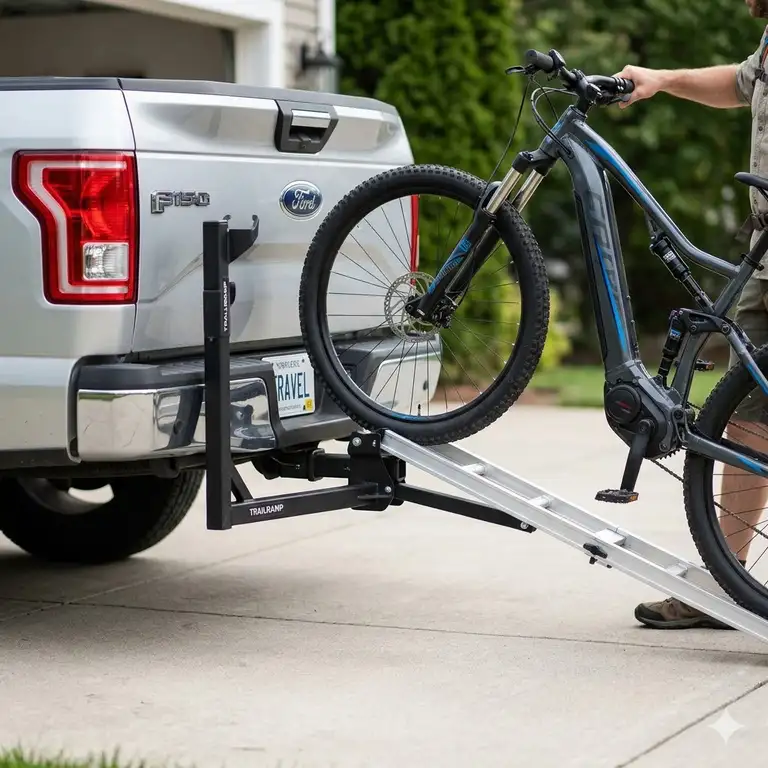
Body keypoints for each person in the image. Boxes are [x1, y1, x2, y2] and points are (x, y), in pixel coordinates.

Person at [615, 0, 768, 629]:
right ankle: (728, 586)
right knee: (748, 416)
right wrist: (662, 80)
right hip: (765, 254)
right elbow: (740, 81)